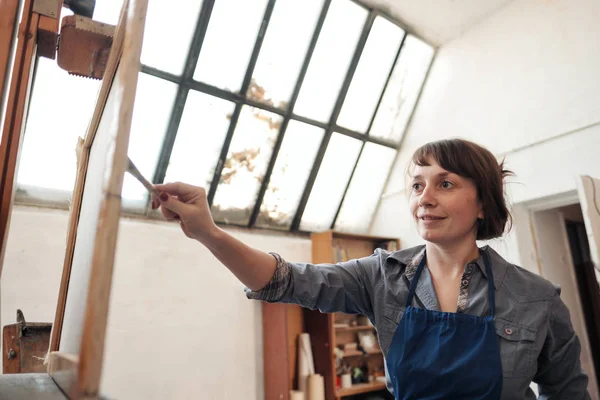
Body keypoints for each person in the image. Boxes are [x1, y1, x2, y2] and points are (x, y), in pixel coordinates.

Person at [151, 138, 591, 400]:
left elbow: (567, 395)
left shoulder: (536, 299)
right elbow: (283, 280)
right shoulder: (380, 276)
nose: (425, 198)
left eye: (445, 184)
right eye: (417, 185)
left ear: (482, 203)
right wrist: (209, 233)